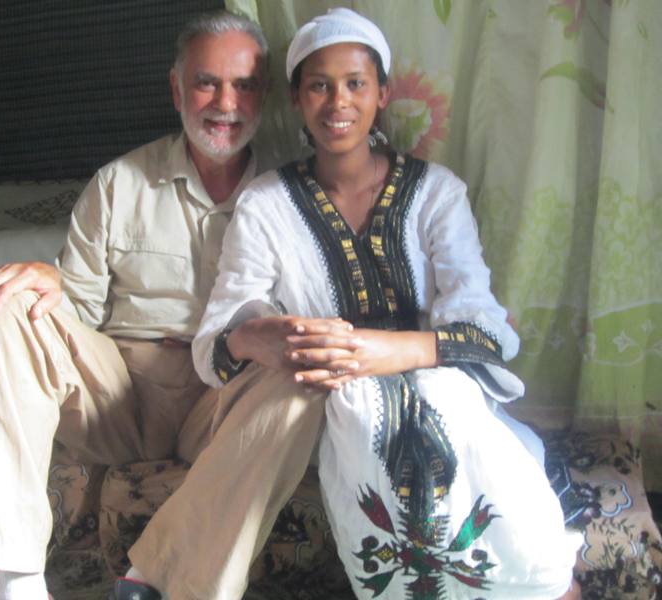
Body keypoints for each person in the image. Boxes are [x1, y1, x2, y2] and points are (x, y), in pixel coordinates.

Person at [0, 10, 320, 600]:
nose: (225, 103)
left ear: (265, 97)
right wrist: (44, 279)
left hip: (221, 401)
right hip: (119, 396)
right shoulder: (119, 183)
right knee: (0, 307)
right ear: (177, 88)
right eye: (207, 82)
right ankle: (16, 576)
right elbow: (73, 306)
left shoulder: (290, 196)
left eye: (244, 85)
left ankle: (156, 579)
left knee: (306, 375)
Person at [192, 8, 583, 600]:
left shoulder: (436, 193)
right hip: (339, 403)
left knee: (449, 405)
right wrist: (255, 335)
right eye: (319, 85)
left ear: (383, 94)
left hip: (439, 382)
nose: (337, 102)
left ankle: (545, 588)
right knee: (361, 413)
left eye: (355, 83)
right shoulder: (266, 203)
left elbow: (486, 331)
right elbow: (219, 335)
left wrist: (383, 350)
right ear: (297, 98)